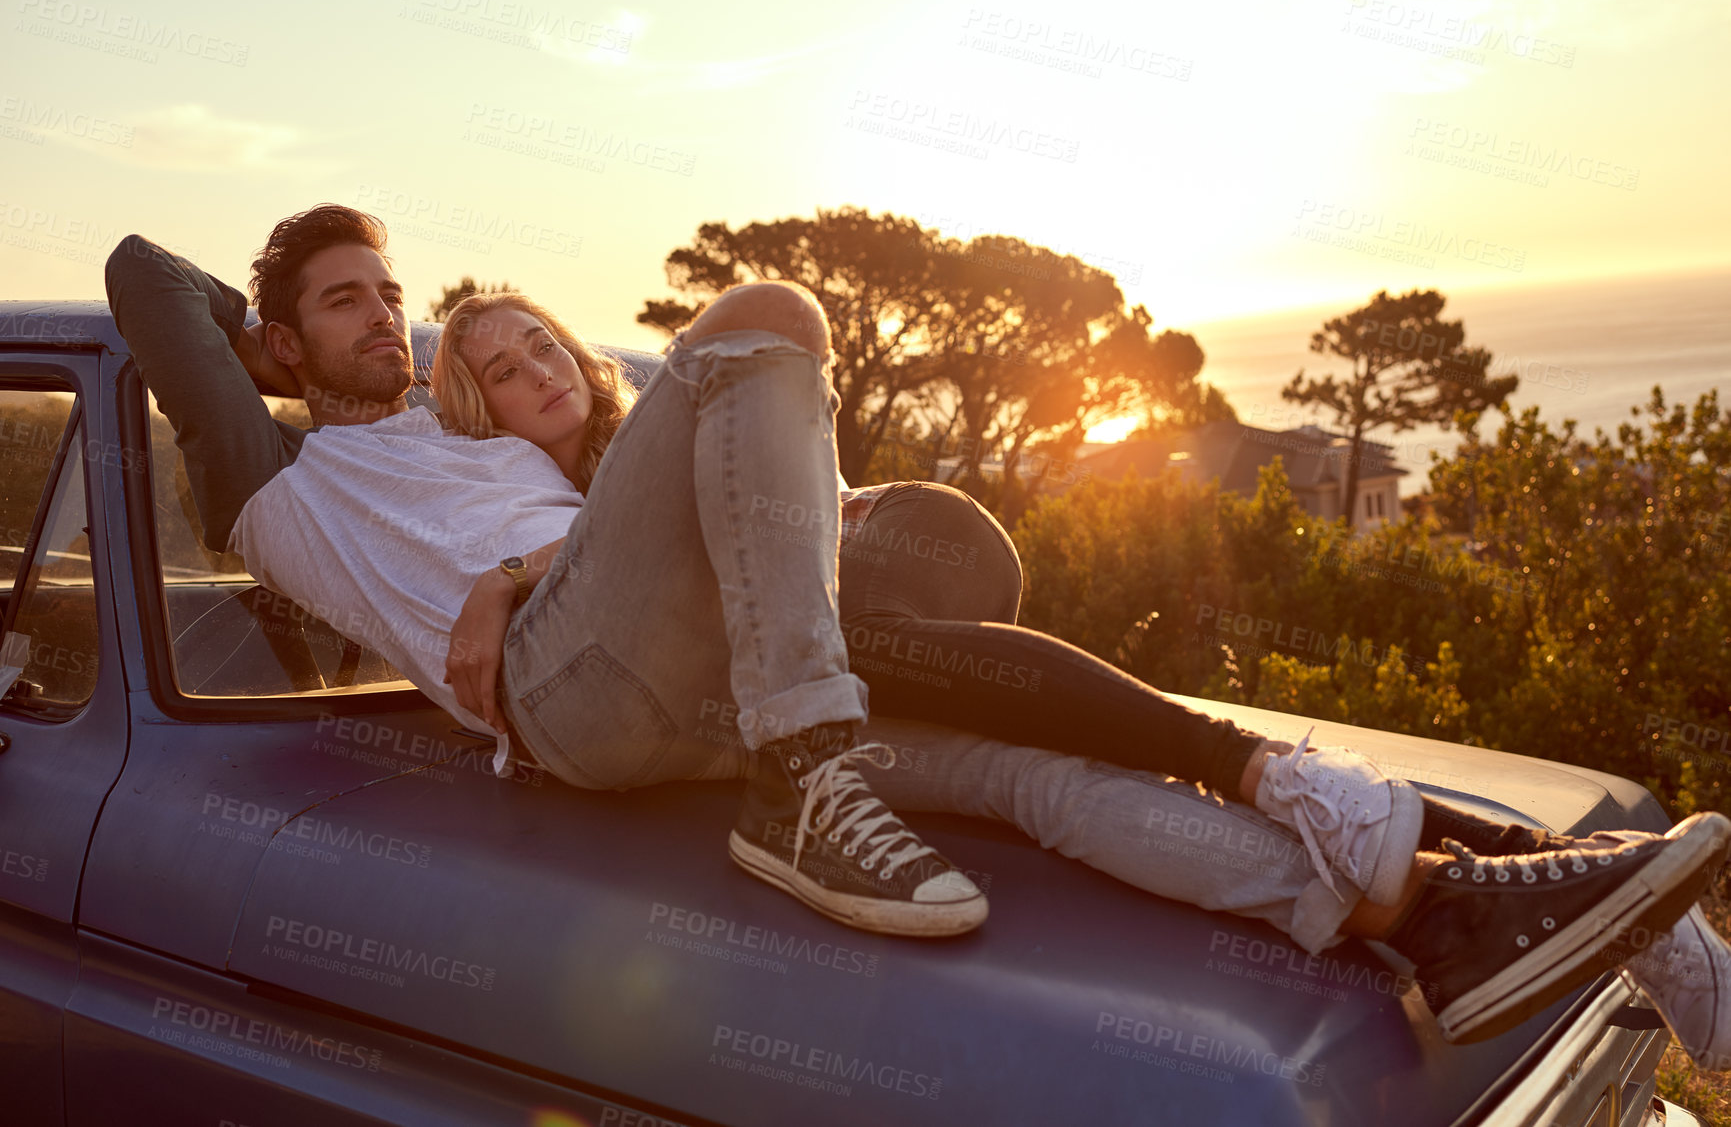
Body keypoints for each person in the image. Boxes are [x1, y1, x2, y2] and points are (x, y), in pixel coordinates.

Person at [104, 205, 1728, 1049]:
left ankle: (1424, 910)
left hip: (686, 698)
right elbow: (139, 274)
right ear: (282, 341)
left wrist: (538, 560)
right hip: (573, 698)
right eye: (345, 301)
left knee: (1027, 777)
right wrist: (258, 342)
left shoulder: (478, 443)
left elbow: (607, 492)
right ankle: (814, 773)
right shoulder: (283, 485)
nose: (384, 316)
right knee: (762, 323)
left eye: (391, 289)